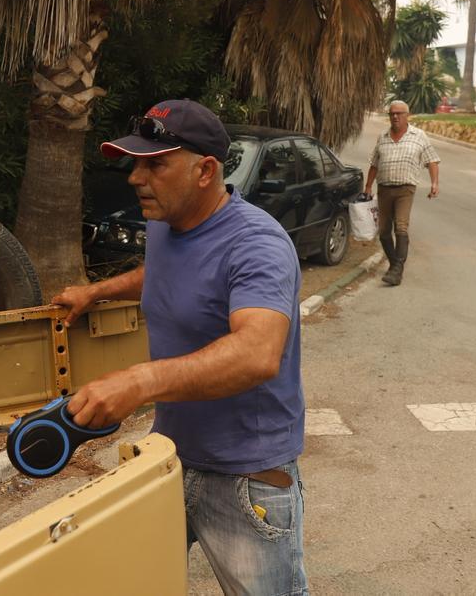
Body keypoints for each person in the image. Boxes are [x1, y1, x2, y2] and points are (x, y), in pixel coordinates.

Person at [52, 99, 308, 595]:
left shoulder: (258, 244)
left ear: (205, 171)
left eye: (155, 164)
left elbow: (257, 352)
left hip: (245, 479)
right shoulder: (167, 225)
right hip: (169, 457)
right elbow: (169, 275)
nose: (135, 177)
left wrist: (140, 380)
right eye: (134, 162)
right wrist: (96, 291)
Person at [363, 100, 441, 286]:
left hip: (405, 189)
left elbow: (432, 161)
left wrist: (434, 183)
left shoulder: (419, 136)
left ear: (407, 115)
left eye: (399, 113)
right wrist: (367, 186)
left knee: (401, 227)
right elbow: (374, 163)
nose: (395, 117)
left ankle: (397, 270)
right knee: (383, 232)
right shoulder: (382, 136)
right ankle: (395, 265)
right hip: (384, 189)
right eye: (392, 114)